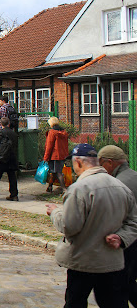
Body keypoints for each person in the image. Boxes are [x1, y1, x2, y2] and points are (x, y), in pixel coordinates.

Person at [46, 143, 137, 307]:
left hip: (83, 261)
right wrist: (121, 237)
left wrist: (55, 212)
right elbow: (134, 222)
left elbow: (69, 227)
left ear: (78, 163)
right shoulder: (121, 187)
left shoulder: (79, 189)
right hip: (112, 262)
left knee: (76, 302)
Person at [98, 145, 137, 306]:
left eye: (101, 164)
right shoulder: (134, 175)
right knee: (128, 282)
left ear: (110, 163)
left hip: (127, 241)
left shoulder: (118, 184)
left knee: (119, 286)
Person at [43, 116, 69, 193]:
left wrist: (45, 158)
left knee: (58, 172)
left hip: (54, 155)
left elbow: (49, 146)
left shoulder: (52, 132)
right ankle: (50, 187)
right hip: (62, 155)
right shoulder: (64, 132)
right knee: (54, 171)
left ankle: (64, 189)